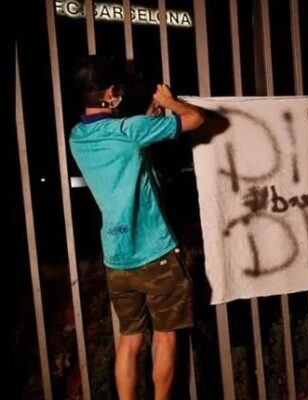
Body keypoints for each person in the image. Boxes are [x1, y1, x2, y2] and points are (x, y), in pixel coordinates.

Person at [69, 55, 204, 400]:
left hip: (117, 259)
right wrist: (169, 102)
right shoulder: (128, 130)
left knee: (129, 341)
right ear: (110, 93)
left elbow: (128, 145)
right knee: (166, 336)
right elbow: (195, 119)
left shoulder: (78, 137)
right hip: (154, 252)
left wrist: (149, 116)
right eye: (119, 90)